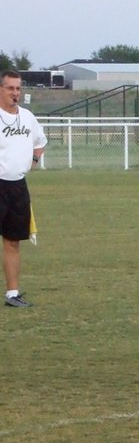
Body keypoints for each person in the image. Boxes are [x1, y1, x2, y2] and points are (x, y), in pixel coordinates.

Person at [0, 70, 46, 308]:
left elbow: (40, 142)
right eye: (10, 88)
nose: (15, 93)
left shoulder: (27, 117)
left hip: (17, 186)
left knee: (13, 241)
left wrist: (34, 161)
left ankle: (12, 294)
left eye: (18, 89)